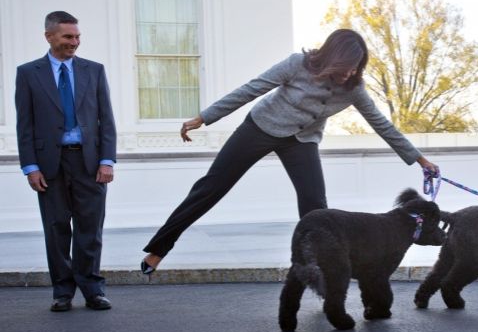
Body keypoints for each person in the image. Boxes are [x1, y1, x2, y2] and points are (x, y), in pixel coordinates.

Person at [140, 29, 439, 273]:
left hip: (302, 141)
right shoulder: (298, 64)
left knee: (315, 205)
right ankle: (158, 248)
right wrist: (204, 117)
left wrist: (420, 160)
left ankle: (319, 266)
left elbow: (382, 124)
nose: (349, 74)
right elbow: (251, 89)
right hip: (260, 127)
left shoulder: (354, 89)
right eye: (345, 68)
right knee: (211, 187)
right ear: (332, 58)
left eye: (354, 69)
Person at [15, 11, 117, 311]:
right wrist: (30, 167)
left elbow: (106, 120)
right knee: (56, 227)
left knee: (90, 227)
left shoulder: (94, 71)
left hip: (89, 163)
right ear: (49, 36)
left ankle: (92, 289)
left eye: (77, 37)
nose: (75, 42)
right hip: (50, 165)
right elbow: (25, 125)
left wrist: (107, 160)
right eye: (68, 37)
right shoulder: (28, 73)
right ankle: (62, 291)